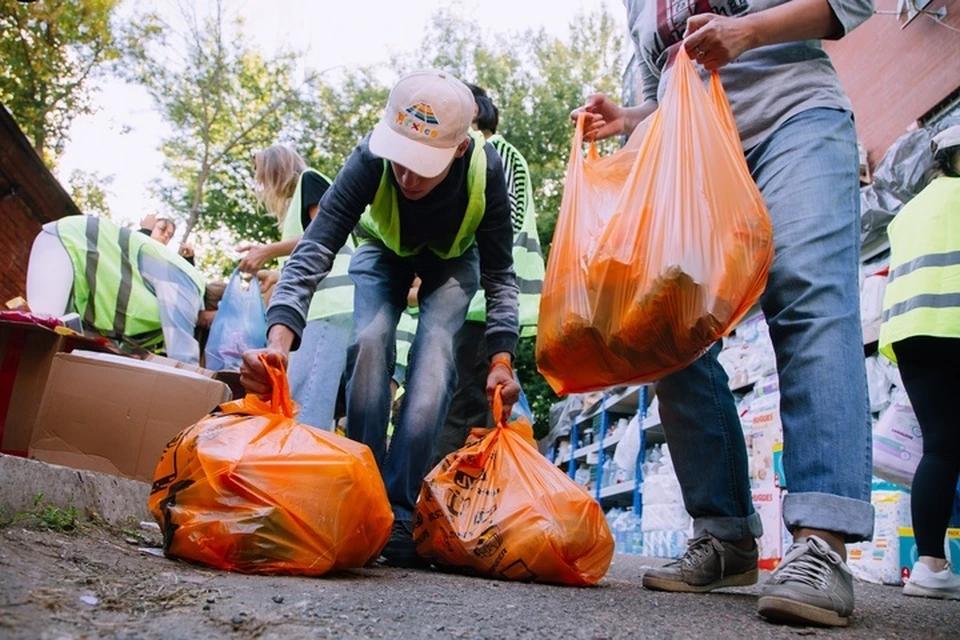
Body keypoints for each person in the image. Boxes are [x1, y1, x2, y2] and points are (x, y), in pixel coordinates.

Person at [572, 0, 875, 627]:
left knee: (807, 295)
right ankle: (726, 536)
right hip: (694, 163)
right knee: (665, 330)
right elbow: (670, 91)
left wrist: (749, 30)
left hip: (792, 120)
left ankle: (822, 543)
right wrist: (626, 117)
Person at [239, 69, 522, 567]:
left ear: (458, 150)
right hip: (382, 250)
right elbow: (314, 250)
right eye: (401, 162)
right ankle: (362, 495)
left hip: (454, 261)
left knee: (434, 359)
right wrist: (278, 344)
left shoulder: (486, 171)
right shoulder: (371, 156)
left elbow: (501, 275)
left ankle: (400, 513)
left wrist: (502, 357)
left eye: (422, 166)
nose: (407, 177)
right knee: (369, 342)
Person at [432, 83, 545, 463]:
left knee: (465, 413)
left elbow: (502, 227)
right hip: (477, 303)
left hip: (485, 304)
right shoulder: (479, 154)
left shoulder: (497, 154)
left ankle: (453, 504)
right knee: (471, 409)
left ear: (475, 111)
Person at [878, 124, 960, 600]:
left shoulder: (910, 211)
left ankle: (930, 565)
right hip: (954, 323)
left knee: (941, 449)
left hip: (912, 337)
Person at [245, 144, 353, 430]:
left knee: (307, 402)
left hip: (330, 308)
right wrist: (275, 275)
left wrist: (266, 251)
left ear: (276, 169)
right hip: (318, 311)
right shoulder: (297, 202)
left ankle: (294, 469)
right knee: (308, 398)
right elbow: (307, 259)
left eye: (263, 174)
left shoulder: (311, 180)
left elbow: (325, 233)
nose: (262, 183)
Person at [27, 215, 208, 365]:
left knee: (68, 356)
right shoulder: (187, 284)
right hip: (66, 243)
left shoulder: (164, 311)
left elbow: (134, 349)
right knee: (43, 338)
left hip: (87, 302)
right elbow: (184, 359)